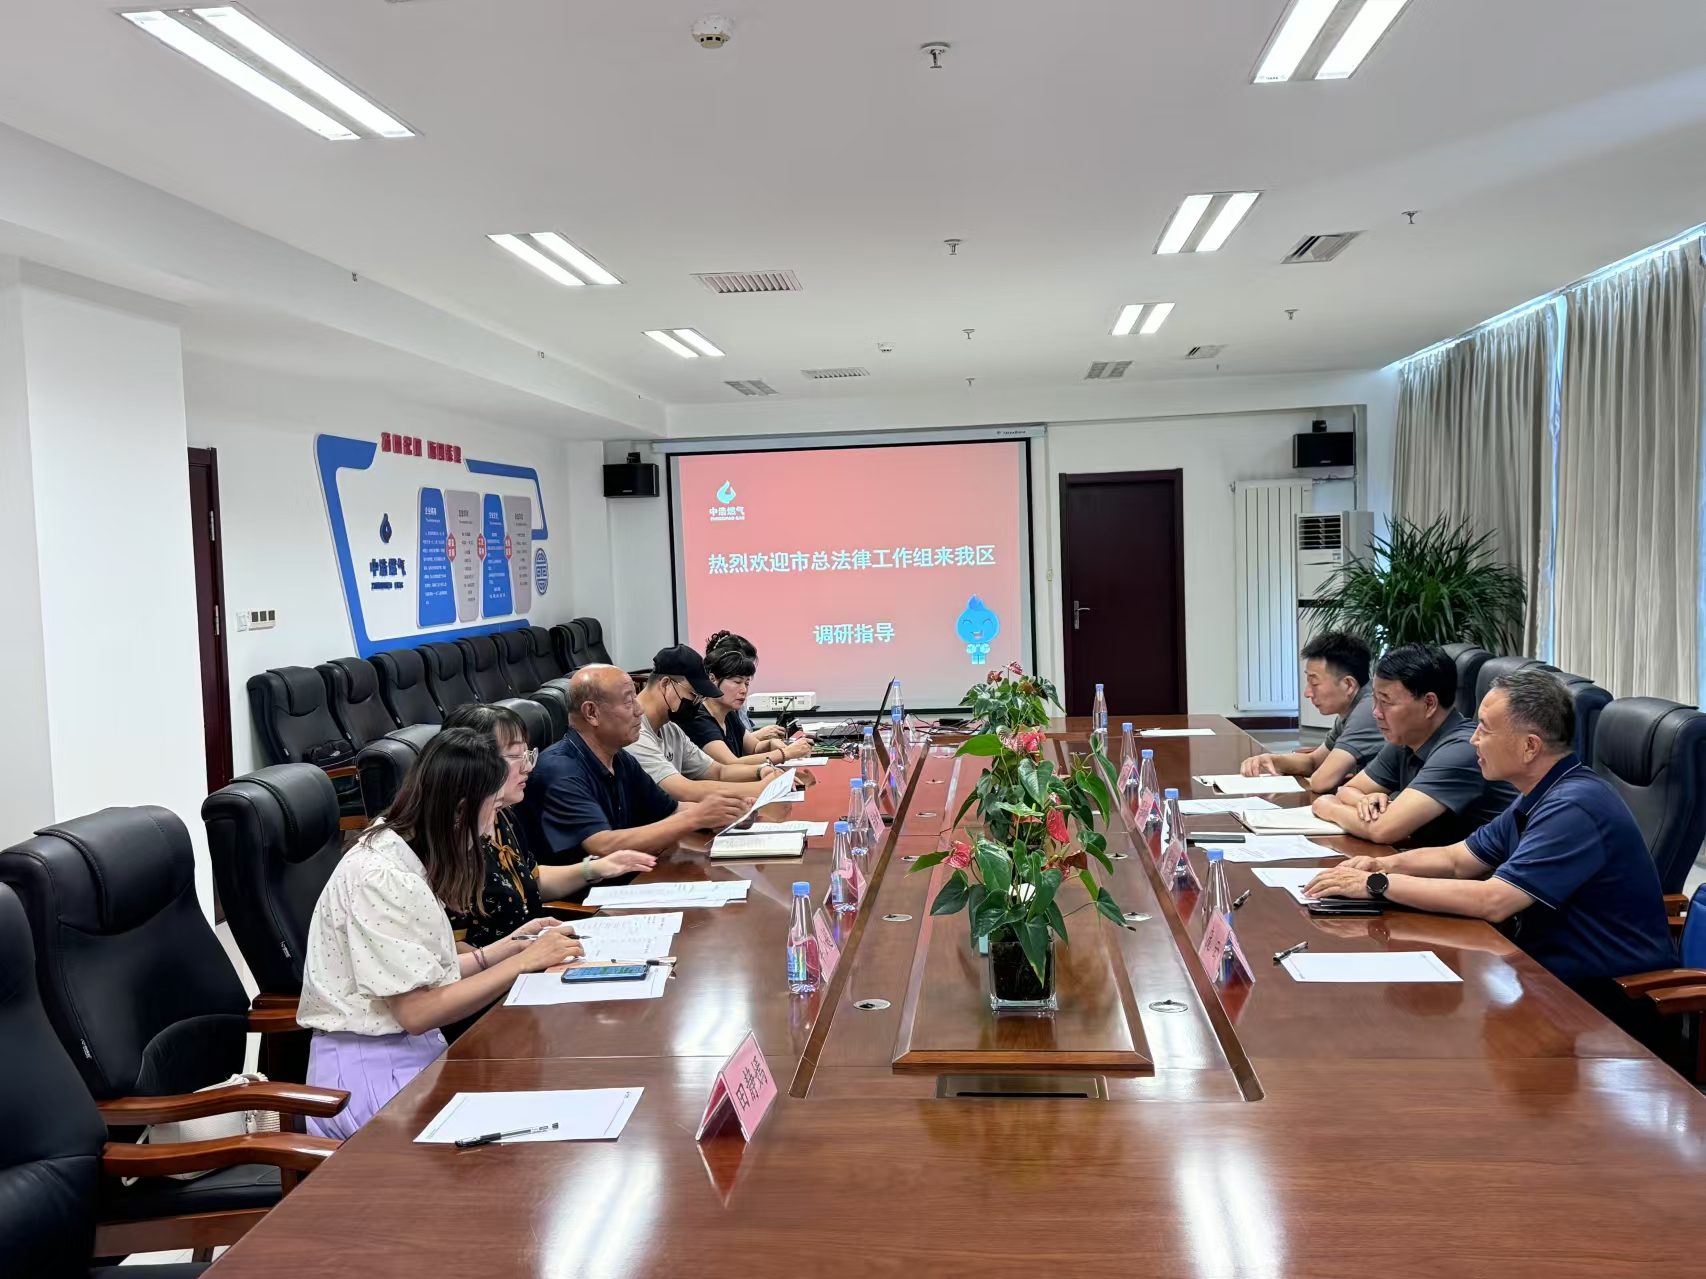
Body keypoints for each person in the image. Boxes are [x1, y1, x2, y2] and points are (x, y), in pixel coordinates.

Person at [1305, 669, 1673, 1009]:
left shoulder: (1574, 807)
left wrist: (1378, 884)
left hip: (1606, 1001)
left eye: (1485, 729)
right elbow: (1458, 860)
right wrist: (1382, 864)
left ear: (1529, 747)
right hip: (1544, 976)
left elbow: (1494, 900)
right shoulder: (1541, 793)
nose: (1474, 739)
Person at [298, 728, 584, 1139]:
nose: (491, 827)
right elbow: (416, 1012)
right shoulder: (381, 877)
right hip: (370, 1079)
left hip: (409, 1055)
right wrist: (523, 963)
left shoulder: (400, 847)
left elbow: (420, 974)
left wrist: (506, 949)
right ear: (461, 809)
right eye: (492, 809)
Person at [438, 703, 655, 948]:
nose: (527, 767)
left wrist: (595, 868)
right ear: (472, 760)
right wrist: (521, 956)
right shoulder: (447, 838)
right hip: (505, 966)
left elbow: (532, 881)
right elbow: (452, 952)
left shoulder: (502, 816)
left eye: (527, 755)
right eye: (516, 757)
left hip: (534, 950)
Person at [516, 664, 751, 864]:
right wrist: (695, 818)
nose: (640, 710)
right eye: (629, 702)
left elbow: (671, 809)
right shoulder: (559, 771)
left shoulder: (620, 758)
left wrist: (729, 810)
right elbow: (603, 845)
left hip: (629, 882)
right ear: (591, 713)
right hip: (585, 899)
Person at [1310, 643, 1518, 846]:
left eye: (1386, 701)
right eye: (1375, 700)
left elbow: (1383, 830)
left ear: (1429, 704)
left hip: (1483, 868)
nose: (1376, 712)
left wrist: (1327, 806)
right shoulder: (1406, 739)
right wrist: (1365, 802)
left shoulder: (1462, 749)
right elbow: (1350, 789)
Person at [628, 644, 814, 802]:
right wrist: (761, 788)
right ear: (665, 685)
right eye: (693, 695)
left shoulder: (671, 729)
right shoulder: (634, 734)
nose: (697, 703)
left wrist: (761, 771)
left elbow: (718, 771)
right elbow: (685, 790)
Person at [1240, 631, 1383, 792]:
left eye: (1314, 684)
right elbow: (1314, 762)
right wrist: (1272, 760)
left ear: (1349, 685)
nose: (1307, 693)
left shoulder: (1370, 710)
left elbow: (1321, 781)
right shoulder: (1352, 707)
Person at [681, 631, 814, 767]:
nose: (744, 690)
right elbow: (731, 764)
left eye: (747, 683)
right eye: (737, 682)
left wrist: (770, 743)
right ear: (712, 679)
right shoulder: (699, 718)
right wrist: (786, 753)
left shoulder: (728, 713)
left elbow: (754, 747)